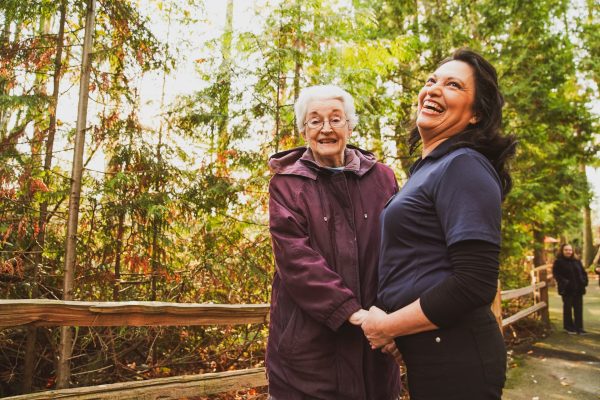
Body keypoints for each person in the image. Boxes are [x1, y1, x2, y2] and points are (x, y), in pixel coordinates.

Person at [360, 49, 517, 400]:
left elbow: (474, 282)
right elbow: (421, 266)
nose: (433, 89)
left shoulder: (463, 165)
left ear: (476, 114)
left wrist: (388, 325)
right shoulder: (429, 170)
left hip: (457, 357)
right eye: (431, 80)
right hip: (431, 352)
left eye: (453, 85)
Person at [266, 85, 401, 400]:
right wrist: (354, 314)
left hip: (375, 348)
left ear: (350, 126)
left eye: (336, 119)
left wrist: (388, 315)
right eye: (315, 121)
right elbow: (296, 260)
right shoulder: (286, 185)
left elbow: (399, 253)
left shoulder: (382, 178)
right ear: (303, 131)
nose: (326, 128)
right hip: (308, 357)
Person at [552, 243, 588, 334]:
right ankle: (569, 327)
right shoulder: (558, 262)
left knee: (578, 309)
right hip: (566, 289)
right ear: (562, 251)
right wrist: (565, 282)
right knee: (567, 308)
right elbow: (556, 275)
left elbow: (583, 273)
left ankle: (579, 328)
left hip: (578, 289)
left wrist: (584, 281)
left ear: (572, 251)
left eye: (570, 250)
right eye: (566, 250)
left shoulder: (577, 261)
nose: (568, 251)